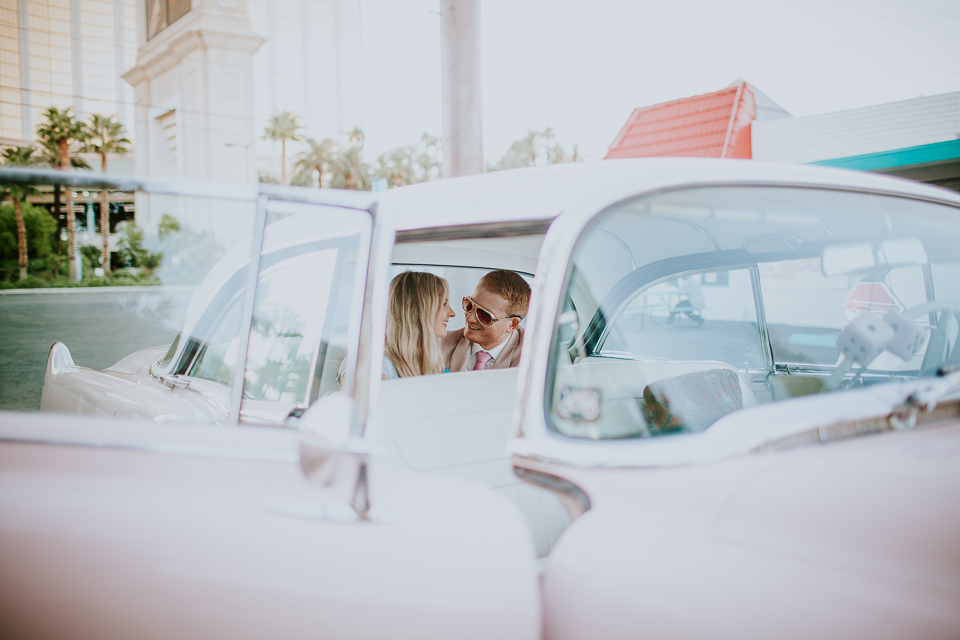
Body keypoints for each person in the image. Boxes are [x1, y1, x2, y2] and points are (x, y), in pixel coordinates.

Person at [443, 269, 530, 372]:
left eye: (484, 315)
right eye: (469, 305)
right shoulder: (442, 344)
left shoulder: (532, 358)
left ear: (512, 324)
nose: (470, 318)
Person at [383, 270, 455, 379]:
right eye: (444, 304)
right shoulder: (381, 368)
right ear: (419, 311)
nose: (452, 313)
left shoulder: (426, 361)